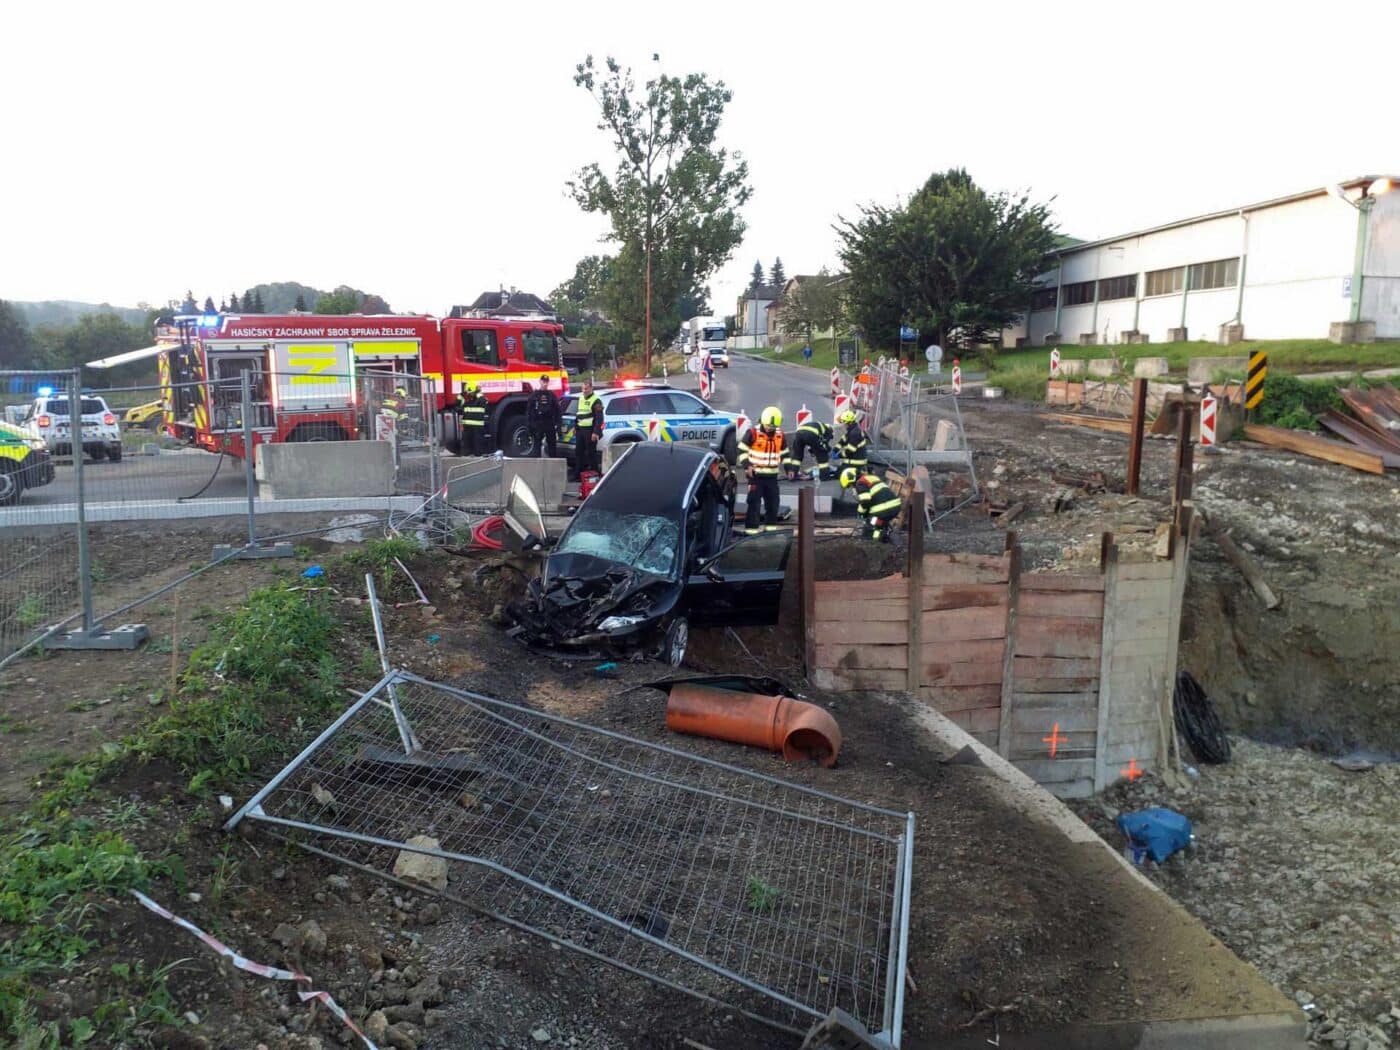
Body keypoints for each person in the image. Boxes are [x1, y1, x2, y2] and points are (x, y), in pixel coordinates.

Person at [738, 406, 785, 534]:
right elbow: (742, 450)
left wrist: (790, 468)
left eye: (774, 426)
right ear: (763, 421)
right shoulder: (753, 433)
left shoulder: (780, 435)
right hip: (756, 477)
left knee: (773, 504)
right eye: (769, 425)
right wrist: (747, 465)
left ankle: (770, 530)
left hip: (772, 478)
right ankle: (751, 531)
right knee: (754, 504)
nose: (771, 428)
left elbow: (785, 452)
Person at [840, 467, 902, 543]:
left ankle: (873, 542)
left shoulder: (860, 483)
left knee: (871, 523)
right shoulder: (870, 478)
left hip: (884, 508)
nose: (852, 488)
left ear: (851, 479)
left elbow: (865, 502)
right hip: (895, 506)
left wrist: (861, 513)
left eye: (850, 485)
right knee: (879, 523)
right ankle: (887, 536)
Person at [573, 377, 604, 477]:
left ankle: (595, 475)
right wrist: (575, 426)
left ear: (591, 389)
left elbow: (599, 418)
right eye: (583, 389)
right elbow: (579, 414)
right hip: (580, 430)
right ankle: (579, 474)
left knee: (591, 453)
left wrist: (596, 432)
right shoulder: (581, 398)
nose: (584, 391)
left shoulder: (596, 400)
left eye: (586, 389)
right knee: (578, 452)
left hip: (590, 431)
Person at [526, 378, 560, 458]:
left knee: (552, 445)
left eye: (546, 382)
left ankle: (552, 464)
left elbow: (557, 411)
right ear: (540, 382)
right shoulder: (534, 395)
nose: (545, 384)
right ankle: (537, 465)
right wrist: (529, 426)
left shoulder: (551, 395)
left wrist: (558, 424)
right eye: (543, 382)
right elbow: (529, 411)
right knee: (537, 445)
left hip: (549, 422)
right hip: (538, 423)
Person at [454, 380, 489, 455]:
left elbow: (457, 406)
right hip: (473, 426)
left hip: (470, 426)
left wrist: (463, 394)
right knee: (474, 444)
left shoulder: (475, 400)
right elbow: (457, 405)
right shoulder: (476, 399)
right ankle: (473, 455)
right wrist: (463, 394)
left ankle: (469, 455)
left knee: (471, 444)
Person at [836, 409, 869, 474]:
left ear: (848, 423)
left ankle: (860, 472)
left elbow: (850, 450)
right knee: (838, 470)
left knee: (838, 474)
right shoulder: (852, 429)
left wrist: (838, 455)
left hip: (856, 462)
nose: (842, 425)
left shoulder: (854, 433)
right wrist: (835, 449)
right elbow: (843, 440)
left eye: (843, 423)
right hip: (855, 459)